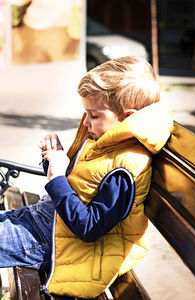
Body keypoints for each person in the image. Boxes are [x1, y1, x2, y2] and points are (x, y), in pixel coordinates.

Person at [0, 56, 173, 298]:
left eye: (93, 115)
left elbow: (89, 227)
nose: (85, 121)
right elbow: (79, 186)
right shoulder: (106, 144)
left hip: (49, 241)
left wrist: (57, 178)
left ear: (127, 116)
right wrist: (55, 159)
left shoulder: (127, 168)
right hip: (43, 223)